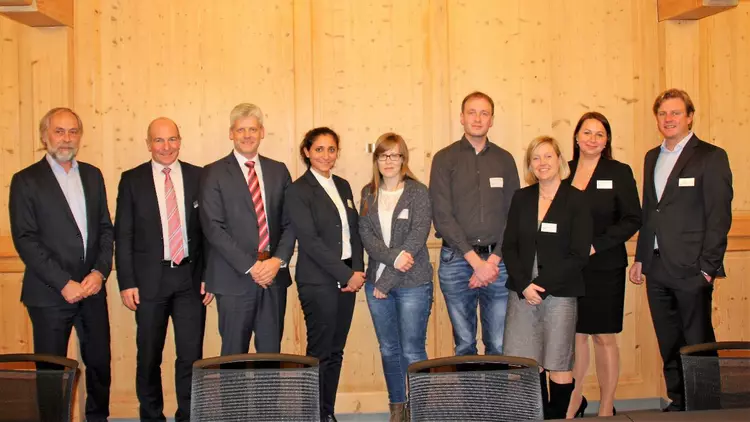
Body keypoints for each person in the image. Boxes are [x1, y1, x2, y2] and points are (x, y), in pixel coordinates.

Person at [630, 88, 732, 412]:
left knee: (698, 344)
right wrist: (641, 258)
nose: (669, 119)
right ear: (657, 119)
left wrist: (708, 267)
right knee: (669, 342)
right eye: (663, 114)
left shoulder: (711, 156)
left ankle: (705, 408)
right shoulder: (651, 157)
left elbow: (719, 216)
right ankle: (679, 402)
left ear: (689, 117)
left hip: (692, 269)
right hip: (657, 268)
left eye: (676, 113)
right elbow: (650, 212)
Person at [9, 107, 113, 422]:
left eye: (72, 132)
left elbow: (106, 229)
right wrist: (64, 283)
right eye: (59, 131)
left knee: (99, 365)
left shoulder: (93, 175)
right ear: (45, 136)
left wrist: (99, 272)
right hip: (50, 294)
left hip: (92, 290)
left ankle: (98, 418)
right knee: (52, 373)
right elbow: (25, 239)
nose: (66, 139)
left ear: (79, 136)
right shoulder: (25, 180)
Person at [115, 117, 213, 422]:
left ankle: (188, 415)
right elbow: (124, 234)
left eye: (172, 139)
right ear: (148, 144)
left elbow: (209, 232)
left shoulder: (200, 177)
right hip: (148, 282)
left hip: (190, 280)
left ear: (180, 141)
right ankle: (151, 416)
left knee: (190, 358)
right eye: (159, 140)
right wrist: (126, 281)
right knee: (148, 357)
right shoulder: (132, 180)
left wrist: (209, 276)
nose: (166, 147)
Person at [502, 136, 592, 420]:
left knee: (558, 360)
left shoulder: (576, 199)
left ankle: (559, 417)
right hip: (522, 291)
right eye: (536, 158)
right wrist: (524, 285)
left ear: (559, 160)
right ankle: (537, 416)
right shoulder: (522, 197)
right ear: (530, 164)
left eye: (548, 156)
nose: (542, 163)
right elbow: (510, 246)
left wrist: (541, 286)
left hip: (560, 292)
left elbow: (578, 254)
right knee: (529, 362)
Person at [429, 91, 520, 356]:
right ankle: (471, 399)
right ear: (461, 118)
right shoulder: (444, 159)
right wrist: (475, 261)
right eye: (472, 112)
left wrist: (492, 261)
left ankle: (494, 398)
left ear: (491, 120)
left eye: (484, 113)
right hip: (456, 261)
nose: (478, 118)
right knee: (465, 344)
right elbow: (442, 215)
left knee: (500, 345)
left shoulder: (505, 160)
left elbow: (514, 215)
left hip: (498, 264)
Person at [200, 103, 295, 355]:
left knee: (270, 356)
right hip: (234, 279)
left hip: (273, 278)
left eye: (252, 129)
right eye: (240, 130)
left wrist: (277, 261)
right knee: (233, 358)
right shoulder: (213, 173)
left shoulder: (279, 170)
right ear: (231, 133)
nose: (247, 135)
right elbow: (213, 227)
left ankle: (266, 398)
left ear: (262, 132)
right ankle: (234, 398)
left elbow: (291, 222)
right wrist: (252, 267)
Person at [564, 112, 642, 418]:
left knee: (604, 336)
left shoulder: (618, 171)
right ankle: (574, 399)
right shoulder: (563, 170)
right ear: (576, 137)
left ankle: (607, 406)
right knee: (575, 336)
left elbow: (633, 218)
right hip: (570, 268)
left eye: (599, 134)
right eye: (587, 132)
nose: (592, 139)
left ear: (606, 140)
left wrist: (597, 245)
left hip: (605, 264)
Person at [285, 127, 365, 421]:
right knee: (319, 353)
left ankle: (326, 412)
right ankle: (313, 414)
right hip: (319, 281)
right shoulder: (297, 190)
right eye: (319, 149)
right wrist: (346, 275)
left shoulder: (343, 185)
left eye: (331, 149)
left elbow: (353, 232)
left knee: (336, 351)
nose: (326, 155)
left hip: (347, 277)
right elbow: (310, 241)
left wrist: (357, 269)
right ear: (306, 152)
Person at [359, 132, 433, 422]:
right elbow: (366, 235)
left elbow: (416, 237)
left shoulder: (418, 192)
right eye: (383, 155)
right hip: (376, 282)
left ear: (404, 159)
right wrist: (387, 270)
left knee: (413, 348)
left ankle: (419, 409)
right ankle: (397, 408)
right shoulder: (368, 193)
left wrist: (386, 281)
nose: (389, 161)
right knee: (388, 349)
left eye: (395, 155)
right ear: (376, 159)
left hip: (413, 283)